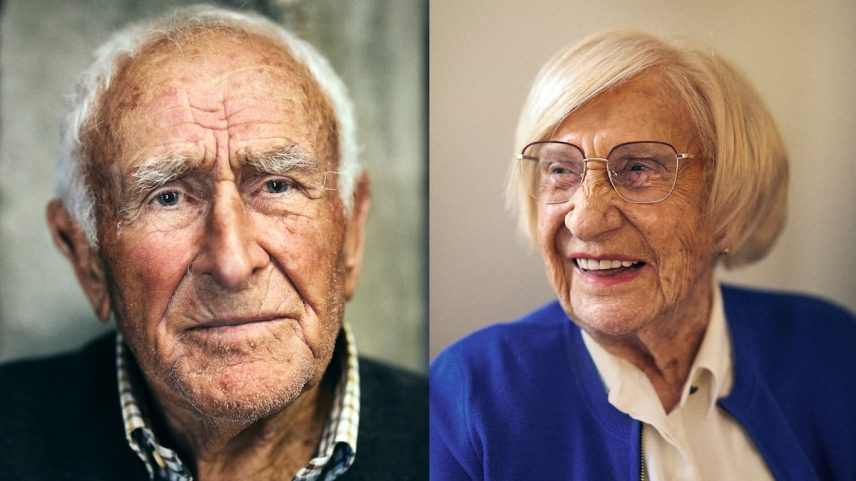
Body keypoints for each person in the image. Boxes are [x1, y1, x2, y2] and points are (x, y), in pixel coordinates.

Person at [0, 5, 426, 481]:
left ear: (351, 234)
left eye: (277, 186)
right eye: (168, 197)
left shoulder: (448, 434)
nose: (233, 264)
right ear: (87, 258)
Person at [430, 30, 856, 481]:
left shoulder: (826, 348)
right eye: (560, 169)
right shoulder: (470, 394)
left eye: (638, 168)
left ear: (728, 202)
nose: (586, 221)